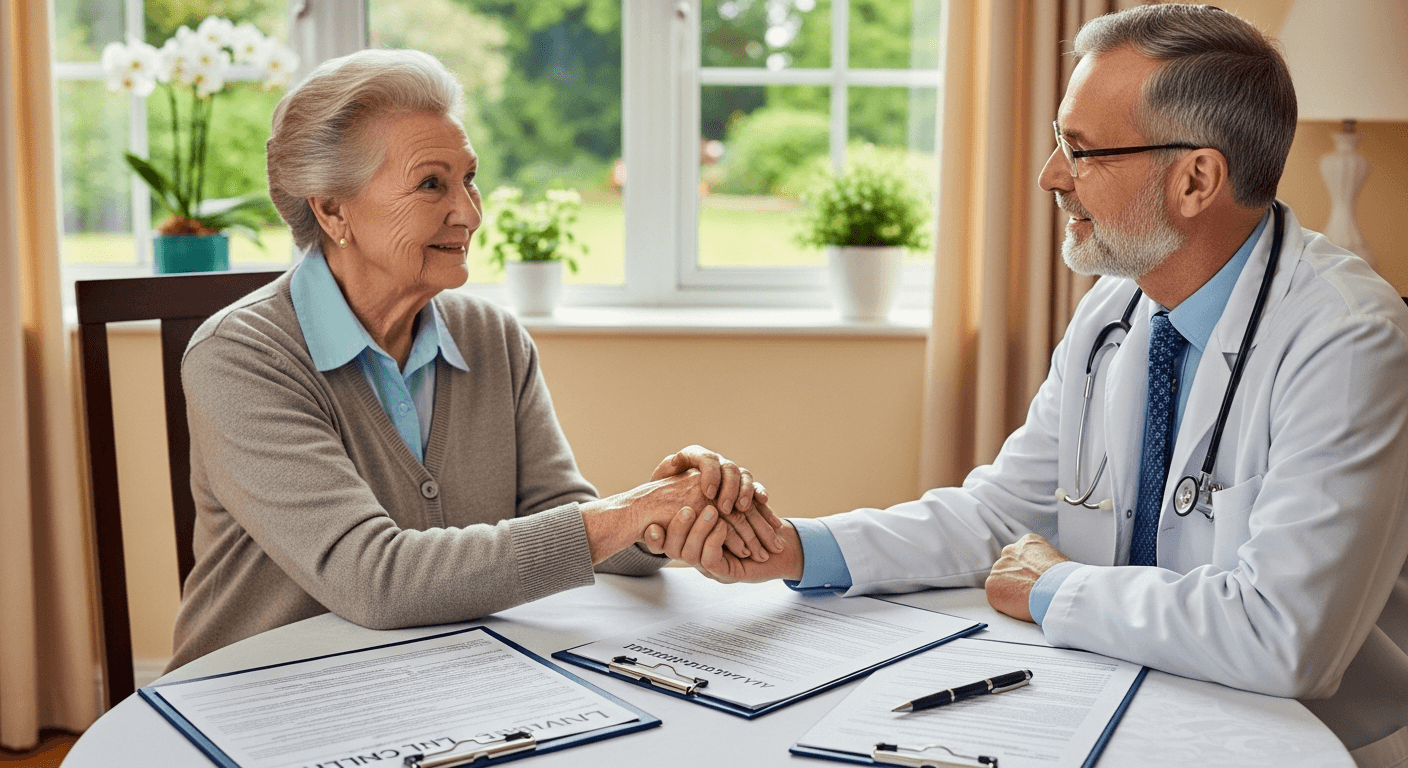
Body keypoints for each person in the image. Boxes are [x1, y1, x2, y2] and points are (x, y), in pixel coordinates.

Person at [667, 6, 1408, 765]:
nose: (1052, 175)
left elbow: (1284, 639)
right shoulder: (1118, 310)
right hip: (1124, 694)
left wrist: (1057, 588)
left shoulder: (1348, 342)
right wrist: (796, 548)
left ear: (1196, 179)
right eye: (1059, 141)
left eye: (1082, 151)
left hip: (1299, 741)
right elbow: (1001, 513)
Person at [170, 48, 784, 670]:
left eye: (469, 177)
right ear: (332, 209)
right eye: (431, 183)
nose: (469, 212)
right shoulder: (242, 357)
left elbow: (557, 511)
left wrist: (669, 509)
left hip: (436, 683)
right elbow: (373, 578)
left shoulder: (491, 337)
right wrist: (625, 514)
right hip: (257, 697)